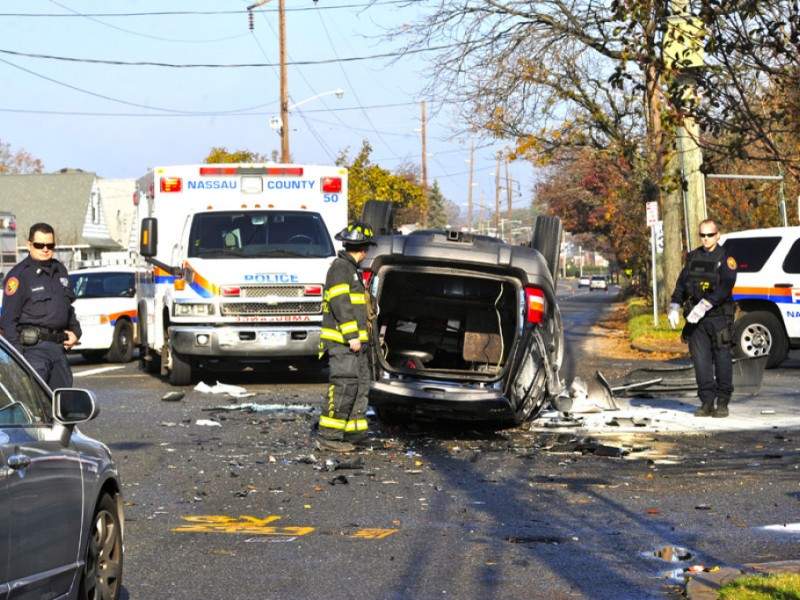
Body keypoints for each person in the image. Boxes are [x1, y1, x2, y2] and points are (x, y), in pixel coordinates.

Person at [315, 221, 376, 453]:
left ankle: (354, 433)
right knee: (344, 386)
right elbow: (341, 304)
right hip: (343, 343)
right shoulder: (341, 268)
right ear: (363, 248)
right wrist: (351, 336)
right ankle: (328, 436)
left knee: (359, 387)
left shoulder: (351, 269)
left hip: (355, 344)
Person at [668, 219, 737, 418]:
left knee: (722, 359)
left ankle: (722, 402)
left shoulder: (726, 257)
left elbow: (727, 285)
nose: (706, 239)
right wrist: (675, 305)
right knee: (701, 361)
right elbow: (682, 283)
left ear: (718, 235)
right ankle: (707, 402)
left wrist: (706, 304)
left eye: (710, 235)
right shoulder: (692, 257)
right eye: (702, 235)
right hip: (696, 319)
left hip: (718, 316)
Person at [0, 222, 81, 388]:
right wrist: (19, 361)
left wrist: (76, 332)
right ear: (29, 245)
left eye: (50, 245)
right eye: (39, 245)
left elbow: (68, 307)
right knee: (37, 407)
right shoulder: (19, 276)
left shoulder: (60, 270)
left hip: (59, 350)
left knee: (61, 405)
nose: (45, 249)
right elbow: (8, 322)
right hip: (33, 352)